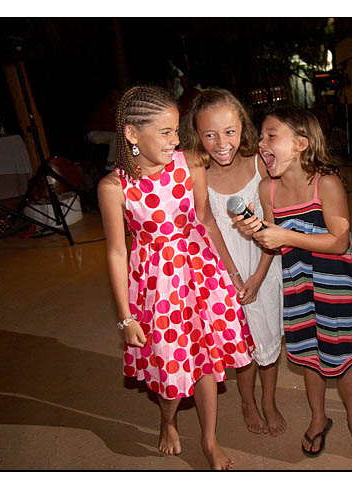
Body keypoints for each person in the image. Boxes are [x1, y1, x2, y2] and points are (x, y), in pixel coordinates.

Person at [97, 85, 254, 470]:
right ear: (132, 134)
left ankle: (208, 438)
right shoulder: (114, 187)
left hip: (200, 274)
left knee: (207, 361)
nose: (175, 140)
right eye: (165, 132)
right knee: (171, 365)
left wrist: (231, 273)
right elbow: (117, 252)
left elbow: (204, 220)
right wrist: (126, 317)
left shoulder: (191, 164)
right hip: (156, 285)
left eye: (175, 131)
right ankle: (168, 420)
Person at [233, 106, 352, 459]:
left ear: (301, 143)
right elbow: (274, 241)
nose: (262, 143)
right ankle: (317, 418)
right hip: (298, 288)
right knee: (311, 359)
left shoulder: (326, 183)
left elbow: (339, 241)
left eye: (271, 135)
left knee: (342, 361)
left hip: (335, 288)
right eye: (261, 136)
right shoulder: (267, 190)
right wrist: (257, 269)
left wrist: (286, 235)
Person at [180, 88, 287, 437]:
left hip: (265, 264)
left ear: (243, 126)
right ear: (196, 135)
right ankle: (248, 402)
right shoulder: (197, 169)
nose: (221, 142)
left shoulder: (260, 163)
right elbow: (207, 223)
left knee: (268, 337)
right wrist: (234, 276)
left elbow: (276, 223)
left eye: (229, 131)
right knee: (244, 342)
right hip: (222, 269)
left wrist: (256, 277)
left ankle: (268, 401)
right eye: (209, 134)